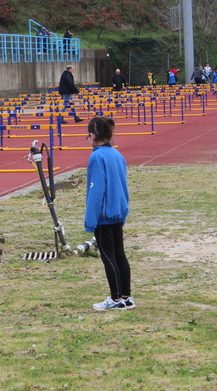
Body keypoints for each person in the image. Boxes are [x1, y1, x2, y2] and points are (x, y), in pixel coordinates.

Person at [85, 116, 134, 311]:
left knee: (109, 256)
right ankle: (126, 296)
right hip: (118, 211)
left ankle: (115, 299)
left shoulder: (97, 157)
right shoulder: (116, 154)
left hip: (104, 215)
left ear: (92, 135)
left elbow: (95, 191)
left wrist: (91, 220)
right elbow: (124, 185)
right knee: (119, 254)